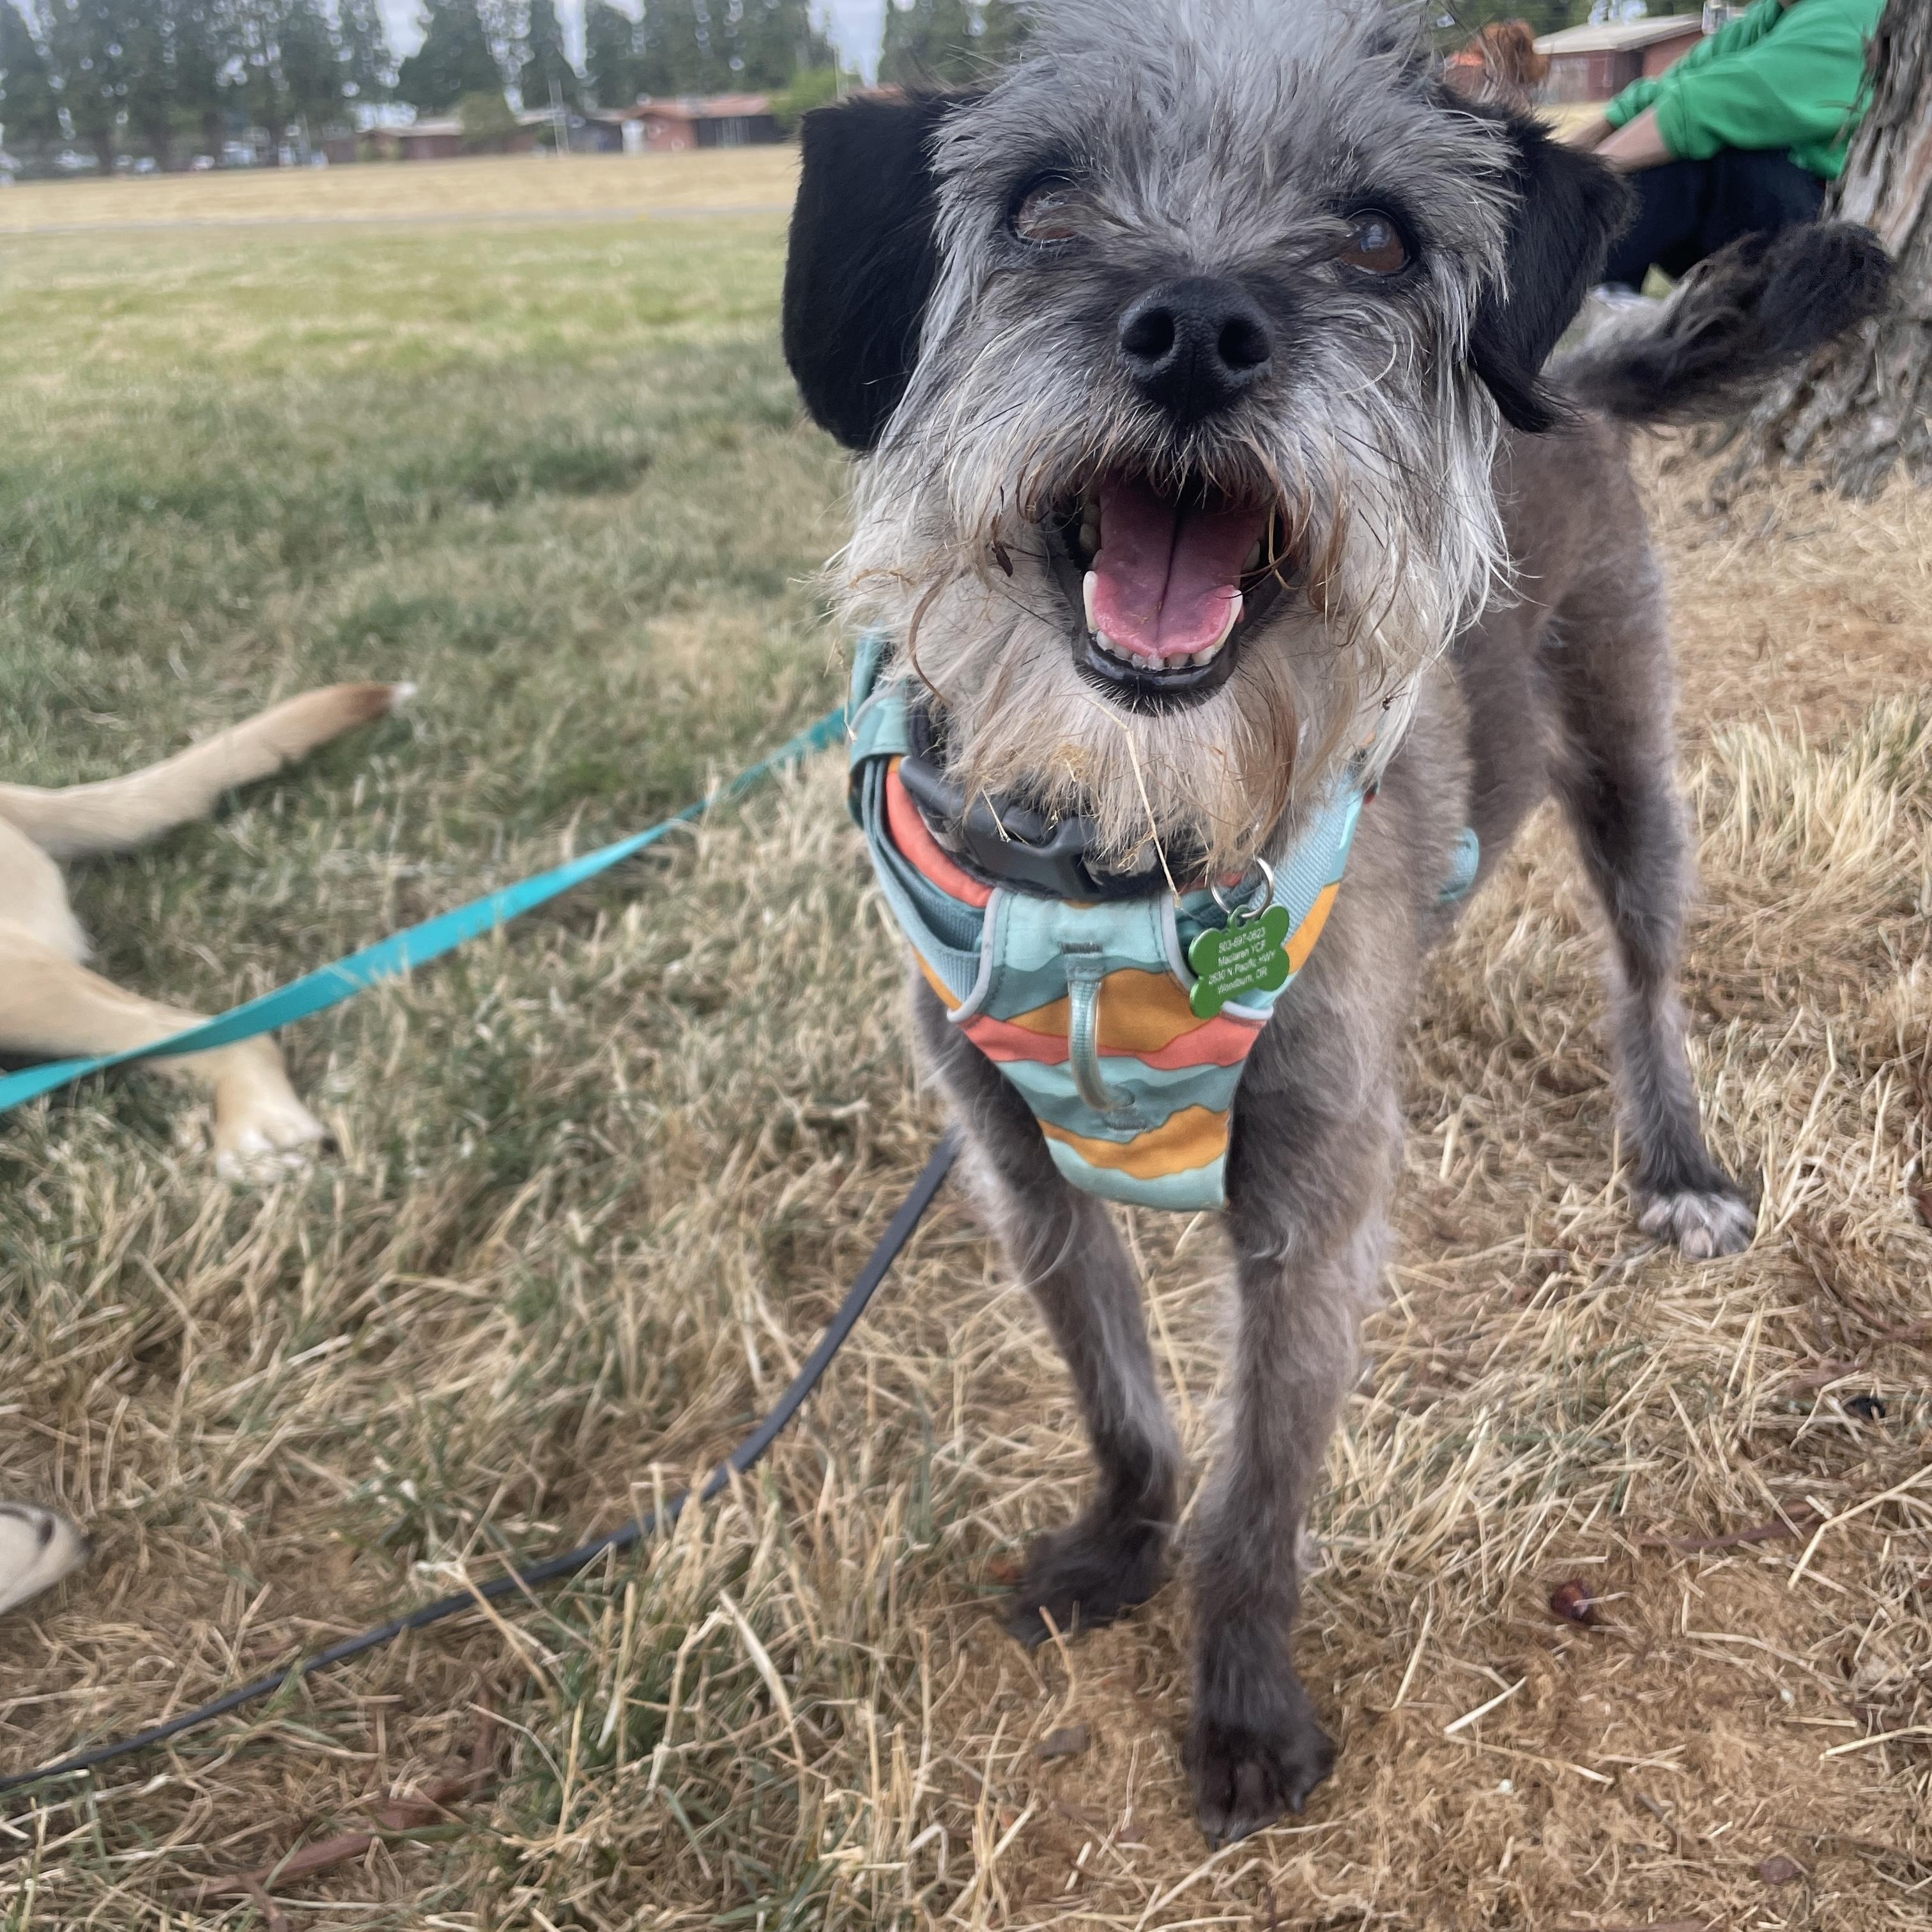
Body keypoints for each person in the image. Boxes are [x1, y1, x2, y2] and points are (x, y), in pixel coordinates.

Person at [1566, 0, 1885, 291]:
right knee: (1660, 153)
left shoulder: (1856, 13)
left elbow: (1703, 107)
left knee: (1693, 159)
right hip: (1768, 226)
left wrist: (1569, 183)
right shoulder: (1773, 14)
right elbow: (1663, 90)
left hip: (1835, 244)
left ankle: (1572, 287)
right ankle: (1597, 291)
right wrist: (1555, 159)